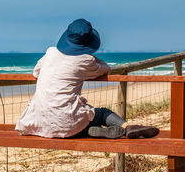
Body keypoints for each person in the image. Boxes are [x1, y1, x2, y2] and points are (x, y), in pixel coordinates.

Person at [15, 18, 159, 139]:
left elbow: (36, 72)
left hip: (38, 122)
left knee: (76, 119)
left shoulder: (51, 52)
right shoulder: (85, 60)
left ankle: (89, 131)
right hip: (67, 123)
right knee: (102, 113)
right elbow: (105, 68)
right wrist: (90, 57)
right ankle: (128, 128)